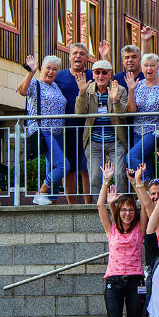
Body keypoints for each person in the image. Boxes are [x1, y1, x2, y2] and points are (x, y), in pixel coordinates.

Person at [96, 163, 145, 317]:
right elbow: (99, 204)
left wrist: (137, 183)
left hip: (136, 280)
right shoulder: (111, 229)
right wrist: (106, 180)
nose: (127, 213)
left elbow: (147, 204)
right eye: (123, 210)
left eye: (130, 209)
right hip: (113, 282)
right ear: (118, 212)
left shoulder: (139, 229)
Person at [18, 55, 69, 206]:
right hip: (43, 130)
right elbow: (22, 91)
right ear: (42, 69)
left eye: (54, 69)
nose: (51, 72)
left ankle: (50, 201)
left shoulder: (55, 86)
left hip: (57, 133)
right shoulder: (36, 83)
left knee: (53, 167)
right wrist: (31, 72)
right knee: (63, 166)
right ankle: (40, 193)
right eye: (48, 68)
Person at [76, 60, 128, 198]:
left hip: (115, 139)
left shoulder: (120, 89)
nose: (100, 76)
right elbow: (80, 112)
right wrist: (81, 93)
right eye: (97, 72)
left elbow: (123, 115)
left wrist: (115, 100)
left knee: (120, 174)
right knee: (94, 177)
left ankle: (122, 206)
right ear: (93, 74)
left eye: (104, 72)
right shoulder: (87, 89)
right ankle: (96, 209)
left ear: (110, 74)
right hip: (94, 140)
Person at [53, 42, 94, 203]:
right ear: (69, 57)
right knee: (68, 170)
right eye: (75, 53)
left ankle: (88, 206)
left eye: (82, 53)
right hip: (65, 130)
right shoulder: (59, 76)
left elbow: (109, 78)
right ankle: (72, 206)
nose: (78, 56)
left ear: (87, 58)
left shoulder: (93, 75)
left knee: (86, 169)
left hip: (88, 130)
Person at [126, 55, 159, 181]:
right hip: (138, 130)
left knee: (131, 156)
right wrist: (130, 90)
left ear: (157, 68)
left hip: (155, 131)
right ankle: (152, 195)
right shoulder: (138, 85)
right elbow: (131, 110)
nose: (149, 68)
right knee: (145, 162)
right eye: (146, 65)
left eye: (152, 65)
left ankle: (148, 183)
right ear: (142, 68)